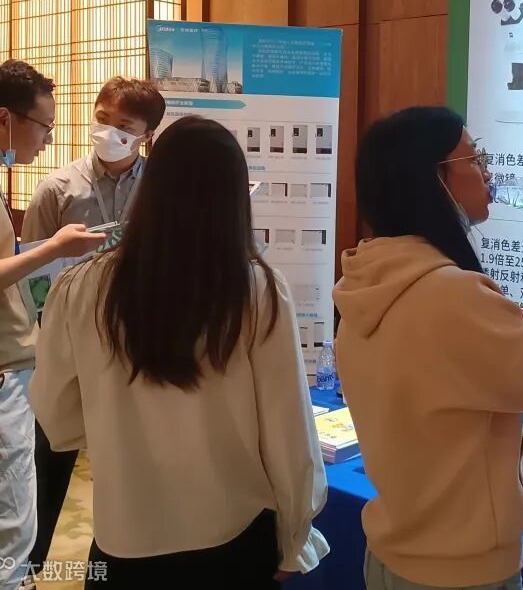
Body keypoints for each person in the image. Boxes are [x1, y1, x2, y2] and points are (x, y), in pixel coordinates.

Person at [30, 116, 329, 589]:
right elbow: (288, 430)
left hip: (124, 535)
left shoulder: (80, 285)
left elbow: (55, 415)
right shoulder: (256, 288)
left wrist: (120, 427)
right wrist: (296, 536)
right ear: (234, 197)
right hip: (233, 535)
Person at [334, 106, 523, 590]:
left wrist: (505, 325)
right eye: (476, 159)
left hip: (393, 556)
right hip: (460, 574)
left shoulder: (369, 276)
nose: (488, 172)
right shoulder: (449, 294)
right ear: (435, 177)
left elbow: (434, 376)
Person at [0, 60, 106, 590]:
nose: (47, 141)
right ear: (3, 118)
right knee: (3, 536)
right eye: (44, 127)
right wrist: (52, 249)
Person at [22, 76, 166, 569]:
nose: (109, 132)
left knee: (134, 463)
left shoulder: (163, 189)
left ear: (146, 134)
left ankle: (129, 561)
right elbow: (31, 277)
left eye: (124, 126)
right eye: (103, 118)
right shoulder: (57, 188)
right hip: (67, 343)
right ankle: (31, 564)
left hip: (142, 343)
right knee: (48, 458)